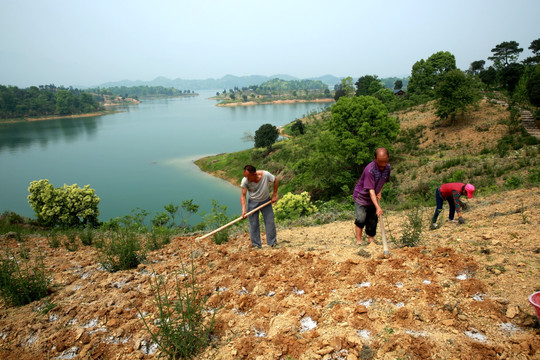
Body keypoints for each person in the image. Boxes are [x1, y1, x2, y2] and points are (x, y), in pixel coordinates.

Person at [353, 147, 391, 245]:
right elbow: (371, 190)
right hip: (361, 197)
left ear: (388, 157)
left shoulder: (387, 167)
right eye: (380, 162)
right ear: (375, 158)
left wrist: (380, 192)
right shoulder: (370, 170)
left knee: (373, 219)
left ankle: (371, 240)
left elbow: (383, 180)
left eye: (385, 162)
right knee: (361, 218)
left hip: (373, 196)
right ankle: (359, 241)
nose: (383, 165)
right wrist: (378, 207)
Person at [240, 165, 279, 249]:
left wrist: (274, 195)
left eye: (247, 176)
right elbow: (243, 195)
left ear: (254, 174)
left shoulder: (266, 175)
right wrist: (244, 209)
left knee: (270, 222)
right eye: (245, 176)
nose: (246, 178)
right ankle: (256, 245)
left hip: (266, 201)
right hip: (253, 203)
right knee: (253, 224)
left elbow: (275, 180)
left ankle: (272, 243)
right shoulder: (245, 181)